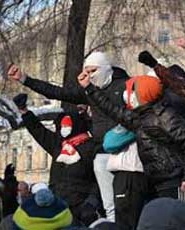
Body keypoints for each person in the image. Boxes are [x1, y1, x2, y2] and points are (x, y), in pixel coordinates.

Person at [9, 51, 130, 221]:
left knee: (123, 204)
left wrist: (91, 202)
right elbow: (57, 93)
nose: (90, 77)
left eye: (93, 71)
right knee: (111, 207)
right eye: (86, 72)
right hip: (95, 163)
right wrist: (25, 79)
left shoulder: (123, 86)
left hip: (124, 150)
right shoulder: (60, 144)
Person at [78, 74, 185, 204]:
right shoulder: (139, 117)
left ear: (142, 94)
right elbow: (111, 109)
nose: (128, 95)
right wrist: (89, 88)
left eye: (131, 92)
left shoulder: (165, 116)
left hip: (174, 180)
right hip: (156, 180)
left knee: (177, 219)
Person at [13, 93, 102, 226]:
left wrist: (91, 203)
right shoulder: (58, 145)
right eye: (63, 126)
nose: (64, 129)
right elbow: (39, 131)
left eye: (68, 125)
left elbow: (99, 180)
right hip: (57, 209)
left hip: (81, 209)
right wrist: (25, 112)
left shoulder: (91, 147)